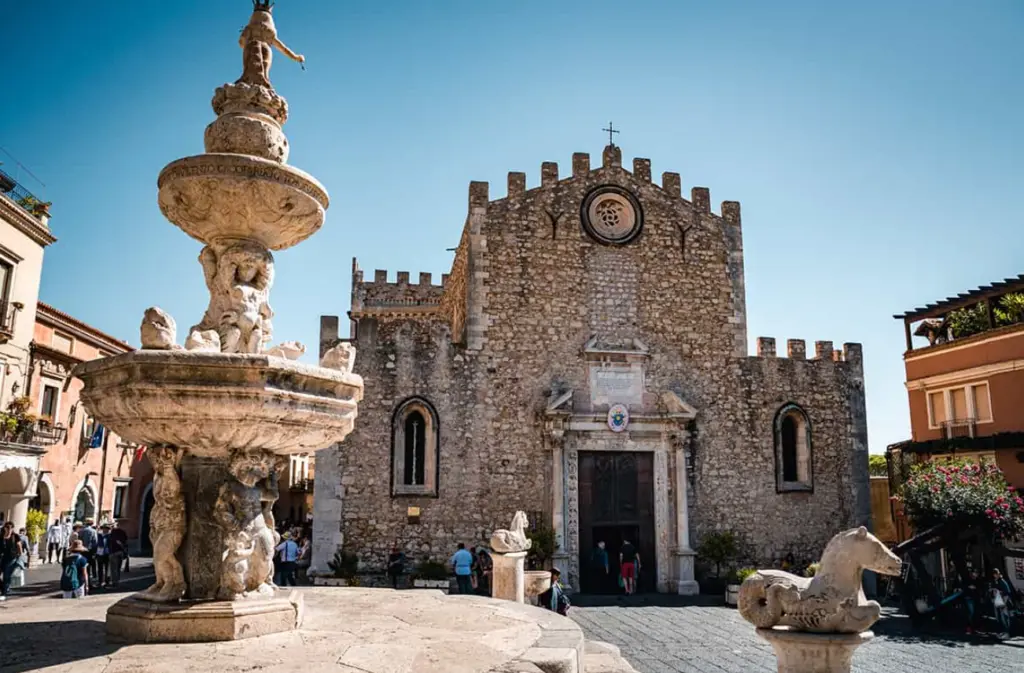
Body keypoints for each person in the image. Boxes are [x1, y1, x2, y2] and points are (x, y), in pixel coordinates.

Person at [1, 522, 23, 601]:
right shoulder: (1, 535)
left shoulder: (15, 536)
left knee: (6, 575)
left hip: (11, 558)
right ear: (5, 528)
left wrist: (20, 556)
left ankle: (4, 592)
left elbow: (19, 546)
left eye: (11, 527)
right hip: (1, 558)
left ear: (13, 528)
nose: (9, 529)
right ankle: (4, 587)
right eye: (7, 527)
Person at [990, 569, 1014, 635]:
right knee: (999, 616)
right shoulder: (995, 581)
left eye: (996, 574)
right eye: (994, 574)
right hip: (997, 600)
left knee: (1004, 616)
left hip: (1002, 600)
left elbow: (1007, 592)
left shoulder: (1002, 581)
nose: (995, 575)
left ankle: (1007, 630)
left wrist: (1004, 602)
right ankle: (1002, 629)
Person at [78, 518, 98, 587]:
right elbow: (95, 542)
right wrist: (95, 552)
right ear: (92, 523)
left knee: (82, 566)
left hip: (82, 550)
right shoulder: (93, 531)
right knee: (90, 568)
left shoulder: (81, 531)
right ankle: (89, 583)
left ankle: (82, 582)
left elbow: (79, 541)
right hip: (90, 551)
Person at [108, 522, 129, 588]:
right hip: (120, 552)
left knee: (113, 568)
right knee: (118, 568)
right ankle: (117, 581)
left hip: (114, 552)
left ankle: (114, 582)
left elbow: (110, 542)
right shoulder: (123, 532)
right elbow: (126, 541)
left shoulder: (113, 533)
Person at [963, 568, 983, 634]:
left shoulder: (978, 580)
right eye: (974, 573)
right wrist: (969, 587)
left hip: (976, 598)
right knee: (971, 612)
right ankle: (969, 627)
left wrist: (976, 588)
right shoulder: (968, 580)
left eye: (976, 573)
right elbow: (964, 587)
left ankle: (975, 627)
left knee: (976, 612)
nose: (975, 574)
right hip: (969, 598)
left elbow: (981, 588)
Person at [95, 523, 112, 587]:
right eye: (105, 528)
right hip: (100, 553)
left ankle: (107, 581)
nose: (106, 530)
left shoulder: (110, 536)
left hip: (107, 553)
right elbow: (96, 544)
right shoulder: (99, 535)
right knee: (100, 568)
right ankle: (100, 581)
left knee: (107, 568)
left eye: (107, 529)